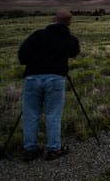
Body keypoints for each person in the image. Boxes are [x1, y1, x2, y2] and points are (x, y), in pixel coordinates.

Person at [17, 9, 80, 161]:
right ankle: (53, 149)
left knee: (30, 114)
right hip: (55, 78)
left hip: (32, 78)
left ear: (53, 20)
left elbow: (22, 56)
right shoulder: (70, 38)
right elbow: (74, 53)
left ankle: (30, 149)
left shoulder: (37, 35)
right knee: (53, 114)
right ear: (69, 22)